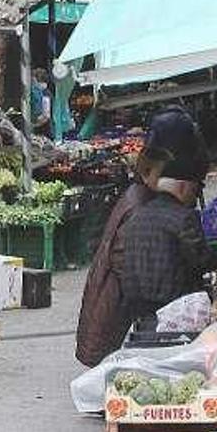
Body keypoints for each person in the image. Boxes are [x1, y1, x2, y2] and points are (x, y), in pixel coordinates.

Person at [120, 107, 217, 325]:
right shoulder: (183, 218)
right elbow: (201, 260)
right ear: (186, 188)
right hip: (175, 308)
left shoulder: (136, 216)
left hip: (139, 311)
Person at [75, 146, 162, 367]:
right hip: (115, 293)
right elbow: (122, 257)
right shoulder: (138, 205)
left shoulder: (137, 196)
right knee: (110, 354)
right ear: (145, 174)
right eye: (159, 175)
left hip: (113, 287)